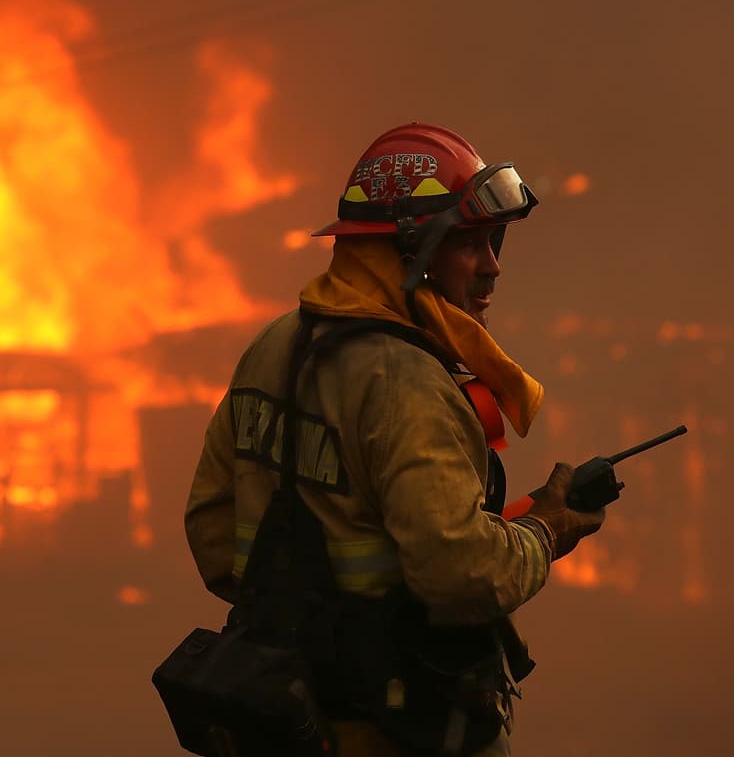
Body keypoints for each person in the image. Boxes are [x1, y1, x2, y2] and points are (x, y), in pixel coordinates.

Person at [183, 122, 606, 756]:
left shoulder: (274, 347)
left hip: (282, 719)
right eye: (469, 243)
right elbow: (462, 575)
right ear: (409, 252)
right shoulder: (408, 382)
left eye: (494, 242)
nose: (491, 267)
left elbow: (214, 534)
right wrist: (545, 531)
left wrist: (299, 614)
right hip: (401, 732)